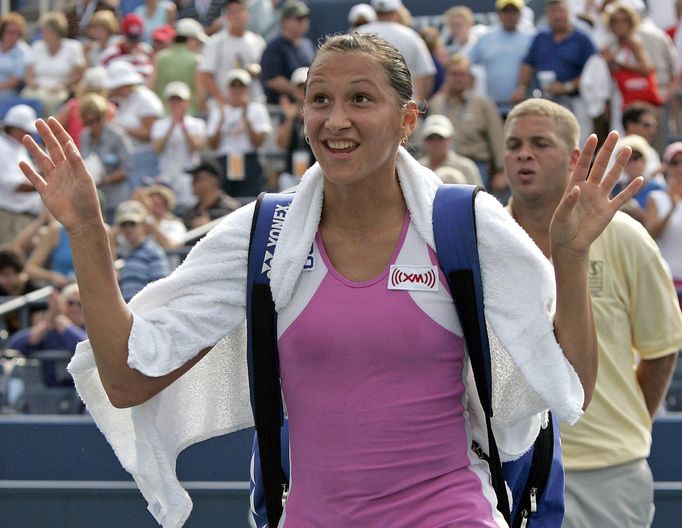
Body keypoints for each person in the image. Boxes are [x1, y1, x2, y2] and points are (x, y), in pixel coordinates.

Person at [20, 32, 641, 527]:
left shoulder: (465, 224)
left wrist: (569, 256)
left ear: (407, 120)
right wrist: (87, 233)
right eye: (320, 99)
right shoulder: (261, 233)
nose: (334, 119)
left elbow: (572, 386)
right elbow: (128, 378)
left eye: (360, 99)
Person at [503, 97, 682, 528]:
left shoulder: (624, 236)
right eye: (514, 144)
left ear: (574, 158)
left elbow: (661, 348)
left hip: (606, 468)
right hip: (507, 464)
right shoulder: (480, 236)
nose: (523, 153)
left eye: (539, 143)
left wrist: (624, 421)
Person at [513, 0, 595, 141]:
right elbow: (528, 64)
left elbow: (592, 71)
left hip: (575, 101)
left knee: (575, 141)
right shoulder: (541, 37)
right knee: (546, 140)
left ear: (569, 13)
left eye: (561, 11)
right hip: (546, 99)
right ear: (548, 15)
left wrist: (566, 86)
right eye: (553, 12)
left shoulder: (582, 39)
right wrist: (521, 87)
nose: (558, 16)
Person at [428, 53, 505, 193]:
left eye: (462, 74)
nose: (458, 79)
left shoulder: (483, 104)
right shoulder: (436, 103)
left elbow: (498, 138)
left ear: (470, 78)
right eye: (454, 74)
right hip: (441, 163)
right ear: (446, 77)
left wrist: (502, 171)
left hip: (475, 164)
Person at [206, 68, 272, 198]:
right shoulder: (218, 112)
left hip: (249, 160)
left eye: (241, 86)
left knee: (250, 201)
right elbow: (212, 145)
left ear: (247, 89)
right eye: (233, 86)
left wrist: (246, 117)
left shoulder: (257, 110)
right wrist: (221, 121)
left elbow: (257, 142)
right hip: (224, 161)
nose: (237, 90)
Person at [358, 0, 436, 105]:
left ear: (375, 11)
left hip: (366, 102)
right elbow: (426, 73)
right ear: (396, 11)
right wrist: (420, 101)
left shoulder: (359, 33)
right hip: (405, 105)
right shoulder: (410, 35)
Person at [467, 0, 535, 119]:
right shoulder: (486, 38)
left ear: (520, 14)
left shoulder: (531, 37)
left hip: (525, 107)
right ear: (498, 14)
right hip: (493, 108)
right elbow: (465, 63)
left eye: (514, 11)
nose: (510, 16)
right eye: (506, 11)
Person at [8, 284, 86, 386]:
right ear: (61, 305)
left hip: (81, 393)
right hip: (49, 391)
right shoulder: (50, 330)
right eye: (70, 303)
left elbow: (85, 347)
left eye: (80, 304)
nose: (75, 308)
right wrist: (45, 325)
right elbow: (15, 345)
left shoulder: (94, 328)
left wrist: (63, 323)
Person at [105, 60, 164, 190]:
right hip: (129, 159)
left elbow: (151, 133)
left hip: (145, 159)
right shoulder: (126, 101)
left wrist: (120, 130)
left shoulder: (146, 100)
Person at [197, 0, 265, 109]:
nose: (237, 16)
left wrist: (256, 71)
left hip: (253, 105)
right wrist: (222, 101)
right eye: (233, 12)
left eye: (240, 11)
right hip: (224, 107)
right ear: (226, 16)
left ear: (247, 14)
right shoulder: (215, 42)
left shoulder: (257, 42)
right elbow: (205, 75)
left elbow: (265, 71)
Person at [150, 81, 206, 211]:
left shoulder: (197, 124)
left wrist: (182, 126)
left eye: (179, 101)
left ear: (186, 103)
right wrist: (172, 125)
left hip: (188, 178)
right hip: (166, 176)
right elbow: (157, 149)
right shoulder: (159, 125)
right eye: (173, 101)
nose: (176, 105)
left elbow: (195, 147)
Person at [79, 92, 134, 224]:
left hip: (117, 198)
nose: (93, 125)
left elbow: (127, 169)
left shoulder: (118, 136)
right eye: (88, 121)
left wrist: (105, 179)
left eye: (96, 119)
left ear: (103, 116)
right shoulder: (85, 136)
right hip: (95, 200)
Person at [22, 11, 86, 117]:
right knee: (27, 97)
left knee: (53, 101)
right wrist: (32, 82)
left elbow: (78, 74)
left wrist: (64, 84)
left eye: (46, 30)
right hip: (37, 89)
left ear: (57, 32)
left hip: (60, 89)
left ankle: (49, 128)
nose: (43, 33)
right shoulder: (37, 46)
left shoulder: (74, 47)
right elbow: (29, 72)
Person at [644, 141, 682, 299]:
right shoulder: (656, 198)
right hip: (666, 278)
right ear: (665, 166)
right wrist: (671, 209)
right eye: (674, 162)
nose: (680, 167)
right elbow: (650, 235)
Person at [111, 199, 169, 302]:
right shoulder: (124, 253)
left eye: (132, 223)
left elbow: (161, 288)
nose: (128, 229)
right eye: (124, 225)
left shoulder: (152, 251)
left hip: (146, 313)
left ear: (144, 225)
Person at [259, 0, 315, 106]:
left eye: (305, 18)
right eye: (298, 18)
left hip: (304, 107)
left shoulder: (307, 44)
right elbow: (272, 79)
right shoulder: (274, 47)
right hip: (280, 109)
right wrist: (298, 91)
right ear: (285, 21)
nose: (303, 22)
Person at [0, 104, 41, 246]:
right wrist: (43, 184)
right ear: (16, 128)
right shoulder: (2, 148)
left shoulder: (18, 147)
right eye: (26, 130)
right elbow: (14, 185)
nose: (29, 133)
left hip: (22, 218)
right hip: (10, 219)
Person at [151, 18, 207, 117]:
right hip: (189, 117)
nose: (198, 46)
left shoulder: (160, 57)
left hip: (162, 116)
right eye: (197, 41)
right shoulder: (197, 61)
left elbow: (151, 86)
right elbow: (200, 95)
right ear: (189, 39)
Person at [275, 66, 314, 190]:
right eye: (299, 87)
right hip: (291, 172)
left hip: (314, 171)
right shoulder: (288, 113)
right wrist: (290, 119)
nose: (302, 91)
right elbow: (282, 144)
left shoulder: (319, 111)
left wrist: (307, 118)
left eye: (304, 87)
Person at [417, 114, 480, 186]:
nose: (435, 143)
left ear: (450, 139)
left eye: (440, 138)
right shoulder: (417, 167)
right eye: (430, 138)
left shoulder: (466, 167)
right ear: (423, 140)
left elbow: (478, 196)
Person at [180, 157, 240, 229]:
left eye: (197, 179)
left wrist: (209, 227)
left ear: (213, 181)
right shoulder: (189, 212)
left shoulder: (229, 209)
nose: (193, 183)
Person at [0, 12, 30, 102]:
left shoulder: (23, 51)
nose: (11, 36)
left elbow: (16, 80)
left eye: (15, 33)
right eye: (8, 32)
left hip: (8, 93)